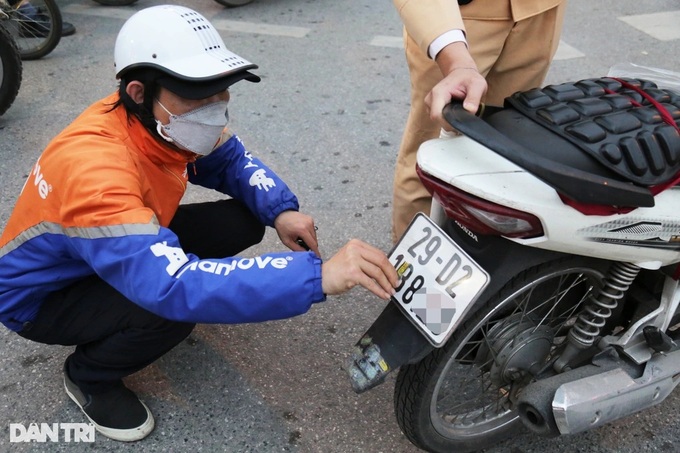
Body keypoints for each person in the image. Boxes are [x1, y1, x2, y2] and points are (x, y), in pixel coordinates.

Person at [0, 5, 398, 442]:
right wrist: (317, 277)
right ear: (139, 91)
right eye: (198, 95)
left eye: (222, 91)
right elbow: (174, 287)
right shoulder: (96, 172)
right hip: (44, 297)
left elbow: (228, 158)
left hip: (102, 250)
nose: (216, 109)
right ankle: (88, 376)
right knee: (170, 311)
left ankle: (145, 309)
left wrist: (279, 209)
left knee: (247, 218)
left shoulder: (149, 120)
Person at [391, 0, 566, 241]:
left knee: (506, 156)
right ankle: (414, 271)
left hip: (540, 11)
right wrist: (456, 61)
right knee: (432, 160)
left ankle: (491, 269)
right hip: (458, 15)